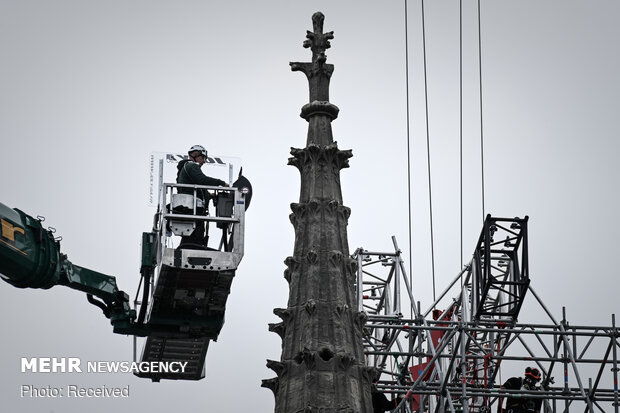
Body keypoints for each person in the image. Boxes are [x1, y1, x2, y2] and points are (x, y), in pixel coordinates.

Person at [175, 145, 227, 248]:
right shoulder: (191, 166)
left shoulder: (187, 167)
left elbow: (196, 187)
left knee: (193, 237)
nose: (204, 162)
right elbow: (202, 180)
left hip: (191, 209)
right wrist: (222, 183)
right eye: (203, 158)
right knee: (193, 239)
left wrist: (209, 195)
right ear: (195, 154)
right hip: (192, 210)